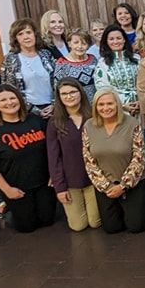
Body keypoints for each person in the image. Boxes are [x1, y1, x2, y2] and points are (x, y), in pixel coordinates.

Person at [0, 84, 55, 233]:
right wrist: (7, 190)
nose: (9, 103)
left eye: (13, 98)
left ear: (19, 99)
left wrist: (54, 174)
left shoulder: (35, 121)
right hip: (17, 188)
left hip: (43, 183)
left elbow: (51, 149)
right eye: (3, 100)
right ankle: (4, 207)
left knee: (47, 221)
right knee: (26, 227)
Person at [82, 90, 145, 234]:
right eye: (101, 104)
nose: (105, 108)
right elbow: (88, 160)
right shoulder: (88, 126)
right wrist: (106, 185)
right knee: (111, 228)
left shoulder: (132, 123)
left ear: (118, 104)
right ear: (95, 107)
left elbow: (138, 158)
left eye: (110, 103)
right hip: (105, 184)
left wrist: (123, 186)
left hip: (133, 181)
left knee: (136, 226)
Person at [46, 79, 101, 232]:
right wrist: (59, 187)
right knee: (78, 226)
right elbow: (53, 157)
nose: (69, 96)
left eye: (72, 92)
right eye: (64, 94)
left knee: (95, 222)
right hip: (70, 181)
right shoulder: (55, 122)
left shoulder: (93, 116)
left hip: (94, 179)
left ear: (80, 93)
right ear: (59, 97)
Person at [1, 18, 56, 118]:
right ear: (16, 39)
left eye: (28, 32)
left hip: (53, 109)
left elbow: (58, 80)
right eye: (20, 34)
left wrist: (54, 105)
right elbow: (9, 89)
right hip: (27, 112)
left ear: (34, 34)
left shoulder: (46, 54)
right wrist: (34, 110)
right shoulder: (11, 59)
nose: (26, 37)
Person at [93, 25, 140, 116]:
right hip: (117, 109)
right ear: (106, 42)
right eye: (111, 39)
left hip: (140, 106)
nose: (115, 41)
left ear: (124, 40)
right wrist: (122, 105)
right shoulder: (103, 63)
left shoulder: (136, 59)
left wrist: (140, 102)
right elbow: (102, 88)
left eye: (118, 38)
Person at [53, 28, 97, 102]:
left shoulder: (93, 59)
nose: (80, 46)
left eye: (84, 43)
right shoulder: (62, 63)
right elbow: (57, 88)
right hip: (74, 105)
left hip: (94, 104)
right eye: (76, 42)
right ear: (70, 44)